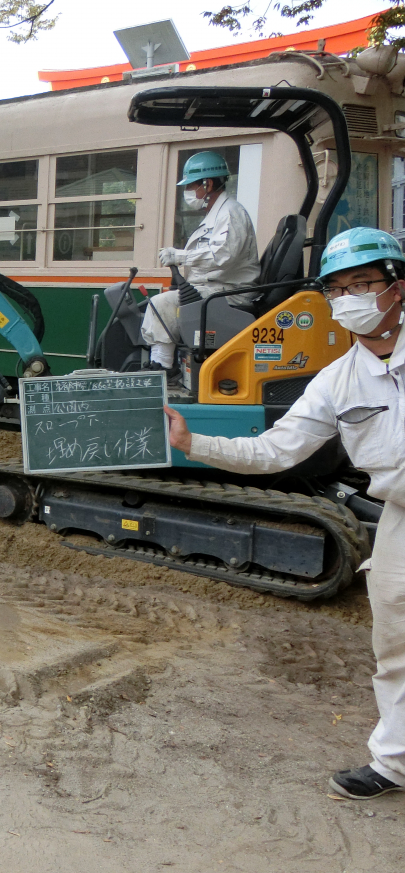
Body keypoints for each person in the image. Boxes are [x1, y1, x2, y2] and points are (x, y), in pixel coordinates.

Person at [164, 227, 405, 800]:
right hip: (401, 518)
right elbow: (273, 451)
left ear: (397, 287)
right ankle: (395, 764)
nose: (350, 297)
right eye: (338, 288)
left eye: (364, 283)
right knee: (395, 646)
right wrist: (191, 441)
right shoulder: (337, 380)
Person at [142, 151, 261, 375]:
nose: (188, 192)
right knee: (165, 301)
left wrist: (180, 257)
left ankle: (162, 366)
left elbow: (223, 256)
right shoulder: (216, 214)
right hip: (216, 287)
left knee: (161, 304)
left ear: (207, 184)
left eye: (191, 186)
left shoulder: (230, 213)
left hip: (229, 292)